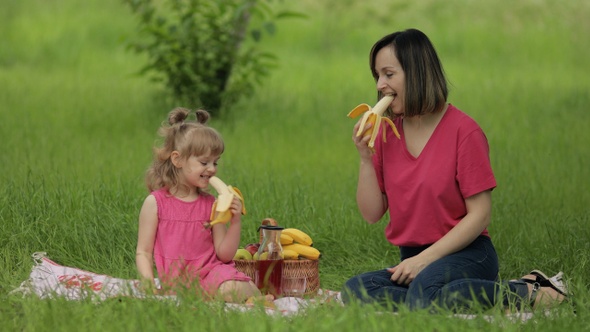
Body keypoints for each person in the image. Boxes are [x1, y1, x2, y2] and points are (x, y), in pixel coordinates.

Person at [342, 28, 568, 312]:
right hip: (412, 259)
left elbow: (480, 214)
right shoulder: (387, 135)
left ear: (418, 72)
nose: (380, 85)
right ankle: (440, 298)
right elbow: (371, 213)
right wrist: (364, 158)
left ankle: (528, 292)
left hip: (467, 253)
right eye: (377, 76)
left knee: (425, 294)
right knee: (355, 290)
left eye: (388, 74)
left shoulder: (464, 131)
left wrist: (425, 260)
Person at [135, 107, 270, 303]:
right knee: (222, 293)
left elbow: (224, 255)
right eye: (204, 162)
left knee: (230, 288)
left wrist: (235, 222)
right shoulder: (155, 203)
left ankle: (255, 297)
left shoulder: (211, 204)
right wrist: (148, 287)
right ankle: (248, 296)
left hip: (211, 277)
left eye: (216, 163)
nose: (212, 169)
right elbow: (144, 251)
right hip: (177, 284)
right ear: (177, 159)